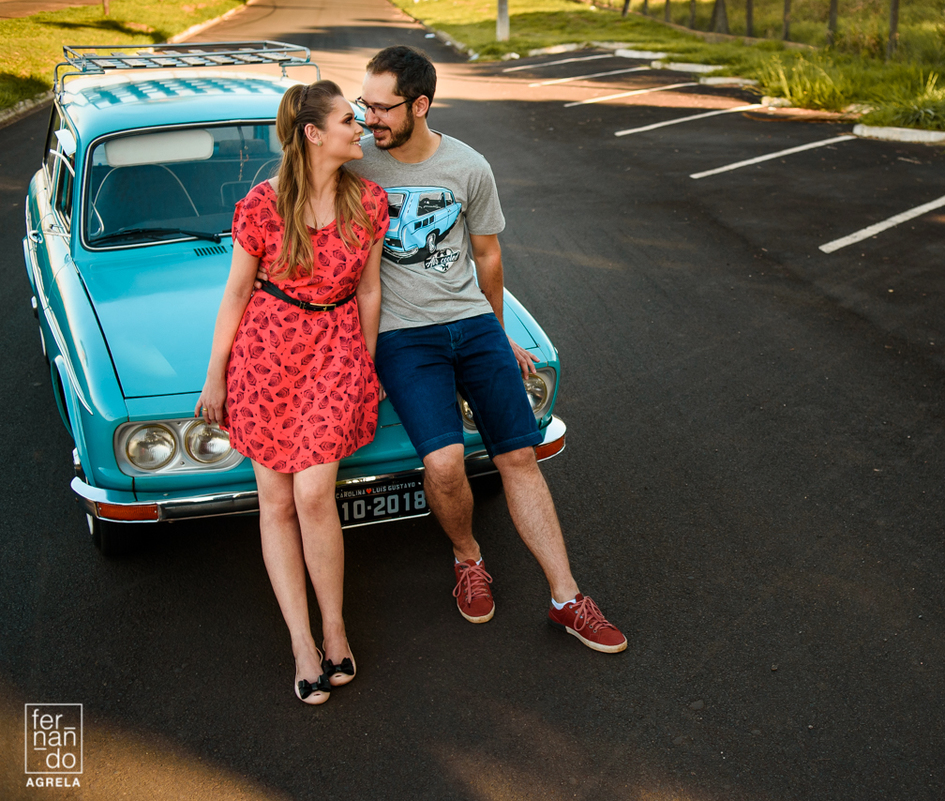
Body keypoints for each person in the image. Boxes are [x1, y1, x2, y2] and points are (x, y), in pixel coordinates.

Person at [347, 45, 627, 653]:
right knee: (443, 463)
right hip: (403, 334)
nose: (369, 119)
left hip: (471, 323)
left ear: (420, 105)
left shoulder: (468, 167)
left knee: (519, 457)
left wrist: (498, 331)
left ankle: (567, 597)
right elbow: (295, 185)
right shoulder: (356, 162)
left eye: (381, 107)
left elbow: (488, 255)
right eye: (363, 104)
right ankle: (468, 556)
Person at [197, 80, 391, 704]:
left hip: (335, 352)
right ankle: (302, 641)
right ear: (313, 133)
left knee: (312, 493)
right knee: (275, 501)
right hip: (265, 356)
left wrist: (368, 364)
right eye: (346, 119)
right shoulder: (261, 205)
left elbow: (368, 292)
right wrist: (215, 372)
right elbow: (235, 292)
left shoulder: (371, 203)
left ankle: (335, 626)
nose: (358, 126)